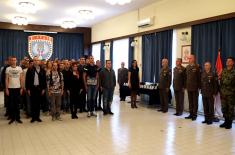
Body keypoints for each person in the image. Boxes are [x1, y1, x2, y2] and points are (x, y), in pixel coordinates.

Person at [26, 56, 47, 123]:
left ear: (39, 61)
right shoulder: (30, 69)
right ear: (33, 61)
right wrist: (28, 89)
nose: (36, 61)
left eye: (37, 60)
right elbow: (27, 80)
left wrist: (43, 88)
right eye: (34, 60)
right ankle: (33, 117)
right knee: (32, 103)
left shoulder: (42, 70)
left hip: (39, 88)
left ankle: (37, 117)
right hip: (32, 88)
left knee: (38, 103)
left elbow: (44, 80)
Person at [5, 56, 23, 124]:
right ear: (10, 61)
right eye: (12, 60)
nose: (13, 61)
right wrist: (6, 89)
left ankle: (18, 118)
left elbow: (21, 79)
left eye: (14, 60)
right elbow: (6, 79)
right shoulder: (8, 69)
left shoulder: (19, 68)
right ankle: (12, 118)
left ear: (16, 61)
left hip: (18, 88)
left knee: (17, 104)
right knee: (11, 104)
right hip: (10, 89)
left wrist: (21, 88)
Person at [219, 57, 235, 129]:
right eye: (227, 61)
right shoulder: (224, 70)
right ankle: (225, 121)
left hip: (231, 94)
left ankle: (230, 123)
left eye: (229, 61)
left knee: (230, 109)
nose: (227, 62)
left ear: (233, 62)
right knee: (224, 108)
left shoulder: (234, 71)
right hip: (223, 93)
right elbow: (221, 82)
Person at [185, 55, 201, 121]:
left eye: (190, 58)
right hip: (189, 87)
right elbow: (186, 77)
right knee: (190, 102)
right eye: (188, 58)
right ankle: (191, 114)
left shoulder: (197, 67)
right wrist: (185, 86)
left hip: (195, 87)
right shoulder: (187, 67)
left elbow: (199, 78)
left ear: (194, 59)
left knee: (195, 102)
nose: (189, 59)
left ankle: (194, 115)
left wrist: (199, 87)